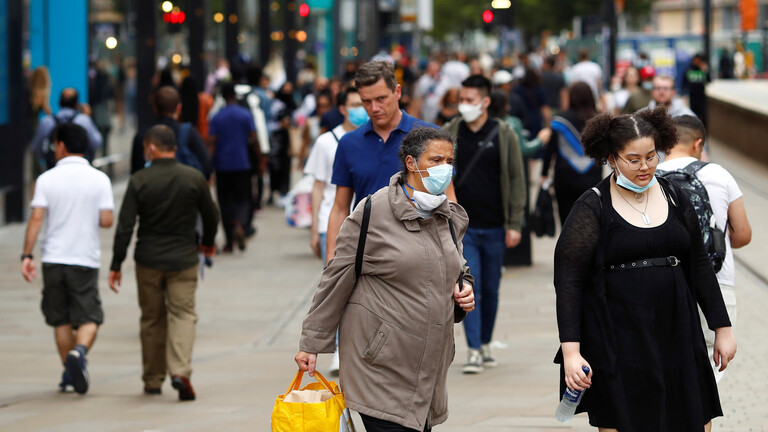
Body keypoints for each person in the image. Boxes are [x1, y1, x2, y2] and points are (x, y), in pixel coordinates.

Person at [554, 108, 737, 431]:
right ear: (611, 158)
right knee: (625, 418)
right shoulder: (592, 206)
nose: (645, 167)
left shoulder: (675, 195)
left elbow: (698, 263)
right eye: (633, 159)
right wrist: (572, 352)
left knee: (693, 416)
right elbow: (569, 281)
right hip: (618, 336)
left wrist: (722, 328)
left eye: (652, 156)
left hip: (678, 329)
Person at [295, 127, 475, 432]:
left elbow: (459, 269)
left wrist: (465, 289)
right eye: (436, 160)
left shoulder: (447, 214)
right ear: (411, 163)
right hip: (380, 367)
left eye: (449, 161)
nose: (444, 168)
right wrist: (311, 343)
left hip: (427, 369)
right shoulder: (373, 212)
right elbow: (336, 277)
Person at [109, 125, 218, 401]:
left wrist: (116, 263)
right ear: (175, 148)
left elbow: (125, 226)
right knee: (183, 314)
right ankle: (180, 371)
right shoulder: (193, 178)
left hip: (148, 260)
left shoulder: (139, 180)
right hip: (184, 259)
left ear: (152, 148)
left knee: (152, 319)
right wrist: (207, 242)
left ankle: (153, 379)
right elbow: (211, 214)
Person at [21, 123, 114, 395]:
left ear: (61, 145)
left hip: (53, 258)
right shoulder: (100, 179)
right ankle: (79, 352)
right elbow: (107, 220)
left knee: (60, 318)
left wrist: (27, 254)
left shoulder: (46, 179)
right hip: (84, 258)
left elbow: (36, 218)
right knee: (90, 317)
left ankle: (70, 371)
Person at [657, 115, 751, 383]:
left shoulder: (649, 176)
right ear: (698, 144)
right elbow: (743, 234)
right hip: (717, 281)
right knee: (710, 362)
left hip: (664, 284)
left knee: (667, 361)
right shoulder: (719, 174)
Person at [442, 74, 526, 374]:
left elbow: (517, 178)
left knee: (491, 289)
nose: (464, 105)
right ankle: (474, 349)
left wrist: (514, 223)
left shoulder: (504, 133)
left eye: (470, 100)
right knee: (469, 286)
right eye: (461, 100)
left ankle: (486, 342)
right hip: (462, 229)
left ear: (486, 101)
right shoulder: (450, 132)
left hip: (495, 225)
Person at [325, 60, 442, 264]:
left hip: (421, 255)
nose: (374, 108)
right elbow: (340, 208)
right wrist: (331, 260)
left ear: (397, 92)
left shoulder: (430, 138)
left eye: (381, 98)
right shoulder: (349, 143)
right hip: (366, 254)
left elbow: (448, 200)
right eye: (366, 101)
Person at [302, 87, 366, 375]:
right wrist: (315, 228)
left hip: (364, 223)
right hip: (334, 222)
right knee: (337, 289)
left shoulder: (371, 140)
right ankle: (340, 350)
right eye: (355, 104)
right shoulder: (326, 141)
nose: (361, 109)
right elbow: (317, 187)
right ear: (342, 108)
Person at [541, 82, 603, 226]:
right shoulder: (599, 119)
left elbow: (550, 149)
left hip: (565, 178)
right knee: (592, 223)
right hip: (593, 177)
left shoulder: (560, 120)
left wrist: (544, 173)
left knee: (567, 222)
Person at [208, 83, 259, 252]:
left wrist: (209, 167)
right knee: (243, 198)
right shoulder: (245, 115)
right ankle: (240, 223)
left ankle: (229, 241)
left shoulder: (217, 117)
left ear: (222, 97)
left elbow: (212, 142)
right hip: (242, 163)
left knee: (225, 201)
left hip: (222, 165)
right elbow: (253, 136)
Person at [130, 86, 213, 178]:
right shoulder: (189, 132)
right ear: (179, 108)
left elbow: (135, 172)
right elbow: (207, 164)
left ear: (155, 108)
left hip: (150, 185)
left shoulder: (142, 136)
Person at [31, 88, 103, 170]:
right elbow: (97, 143)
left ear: (59, 102)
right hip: (79, 170)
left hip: (53, 170)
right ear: (77, 104)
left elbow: (37, 149)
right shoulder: (84, 120)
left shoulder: (47, 121)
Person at [513, 67, 550, 139]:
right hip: (536, 118)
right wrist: (548, 124)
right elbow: (544, 109)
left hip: (522, 118)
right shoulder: (539, 89)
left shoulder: (518, 89)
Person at [682, 54, 711, 126]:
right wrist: (684, 94)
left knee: (703, 115)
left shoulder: (703, 69)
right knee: (693, 114)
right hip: (692, 96)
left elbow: (709, 80)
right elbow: (684, 82)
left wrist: (706, 71)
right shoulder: (689, 70)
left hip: (701, 96)